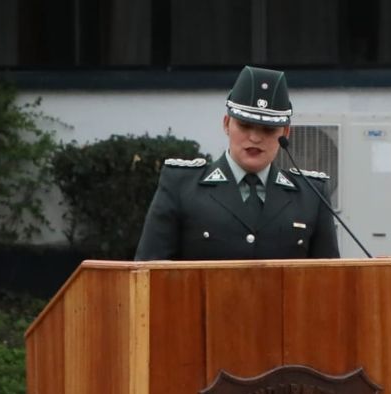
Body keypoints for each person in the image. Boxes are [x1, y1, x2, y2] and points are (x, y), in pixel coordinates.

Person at [134, 66, 339, 260]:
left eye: (268, 129)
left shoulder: (311, 194)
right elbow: (149, 273)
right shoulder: (182, 185)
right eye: (245, 126)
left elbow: (329, 280)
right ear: (226, 124)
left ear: (285, 133)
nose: (255, 138)